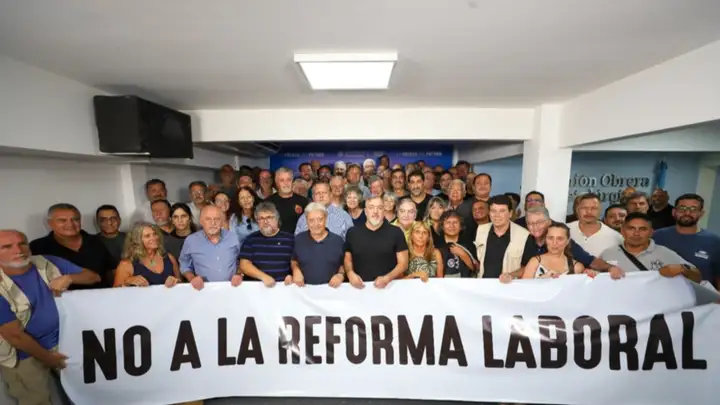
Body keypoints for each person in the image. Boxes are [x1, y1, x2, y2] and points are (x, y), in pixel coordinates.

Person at [0, 229, 100, 405]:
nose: (18, 250)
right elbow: (14, 336)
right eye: (7, 247)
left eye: (22, 243)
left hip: (64, 341)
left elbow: (93, 277)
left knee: (87, 394)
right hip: (23, 355)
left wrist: (69, 278)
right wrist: (49, 358)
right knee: (37, 401)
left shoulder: (46, 262)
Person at [29, 203, 115, 288]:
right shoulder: (38, 247)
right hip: (61, 296)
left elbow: (111, 272)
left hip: (103, 294)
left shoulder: (98, 241)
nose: (70, 224)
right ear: (50, 223)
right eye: (62, 220)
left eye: (75, 219)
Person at [599, 212, 702, 283]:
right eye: (631, 228)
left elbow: (697, 277)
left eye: (643, 229)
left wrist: (682, 269)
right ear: (622, 231)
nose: (636, 233)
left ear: (651, 232)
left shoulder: (664, 253)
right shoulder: (608, 254)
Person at [653, 193, 720, 288]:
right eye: (682, 208)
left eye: (693, 209)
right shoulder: (657, 236)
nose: (687, 213)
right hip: (660, 292)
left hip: (700, 296)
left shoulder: (714, 242)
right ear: (674, 212)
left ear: (701, 213)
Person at [344, 195, 409, 289]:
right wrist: (350, 273)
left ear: (384, 211)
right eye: (371, 207)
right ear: (365, 211)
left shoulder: (396, 232)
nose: (375, 211)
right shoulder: (352, 233)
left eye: (379, 208)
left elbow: (403, 264)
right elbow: (347, 259)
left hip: (389, 288)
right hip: (359, 289)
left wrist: (387, 278)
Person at [178, 205, 243, 290]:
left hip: (231, 288)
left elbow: (242, 260)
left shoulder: (233, 237)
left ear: (222, 221)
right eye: (208, 219)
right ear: (201, 221)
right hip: (203, 290)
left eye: (217, 219)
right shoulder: (191, 241)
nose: (213, 223)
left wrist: (239, 274)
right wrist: (192, 278)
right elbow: (184, 264)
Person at [474, 195, 534, 279]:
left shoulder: (524, 235)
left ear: (510, 214)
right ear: (489, 213)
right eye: (493, 211)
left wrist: (511, 275)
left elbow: (529, 267)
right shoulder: (481, 230)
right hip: (484, 283)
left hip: (509, 285)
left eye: (502, 211)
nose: (497, 215)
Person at [239, 202, 294, 286]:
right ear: (257, 221)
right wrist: (263, 277)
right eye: (261, 218)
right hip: (257, 289)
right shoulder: (250, 240)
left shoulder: (290, 239)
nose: (265, 221)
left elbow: (297, 264)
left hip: (283, 288)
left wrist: (292, 276)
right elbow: (244, 265)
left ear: (277, 219)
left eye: (269, 217)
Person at [291, 203, 345, 287]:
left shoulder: (338, 241)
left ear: (326, 219)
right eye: (311, 220)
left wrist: (340, 275)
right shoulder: (298, 239)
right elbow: (294, 260)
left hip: (332, 291)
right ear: (306, 220)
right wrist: (295, 269)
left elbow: (343, 265)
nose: (316, 224)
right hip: (304, 291)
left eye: (320, 219)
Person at [506, 223, 585, 281]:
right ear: (545, 240)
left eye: (560, 239)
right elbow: (524, 290)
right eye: (550, 238)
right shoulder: (535, 262)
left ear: (567, 241)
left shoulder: (577, 267)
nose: (554, 243)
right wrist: (542, 279)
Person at [113, 224, 181, 287]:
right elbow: (115, 292)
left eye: (155, 234)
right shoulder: (126, 264)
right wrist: (127, 282)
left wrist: (176, 281)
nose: (154, 238)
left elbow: (181, 284)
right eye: (147, 236)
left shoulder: (169, 258)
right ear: (137, 240)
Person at [266, 167, 309, 233]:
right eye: (282, 180)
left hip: (297, 238)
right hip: (276, 238)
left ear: (292, 181)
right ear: (276, 182)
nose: (286, 183)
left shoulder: (304, 201)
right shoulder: (267, 203)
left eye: (288, 180)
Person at [436, 211, 477, 278]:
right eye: (448, 222)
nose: (452, 226)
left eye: (455, 222)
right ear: (442, 226)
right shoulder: (436, 244)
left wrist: (463, 254)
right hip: (442, 283)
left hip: (466, 283)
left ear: (461, 226)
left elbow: (477, 269)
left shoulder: (468, 244)